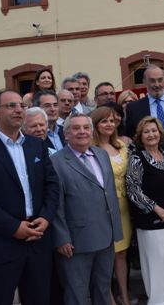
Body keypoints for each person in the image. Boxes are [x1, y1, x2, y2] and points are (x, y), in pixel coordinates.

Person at [0, 89, 60, 305]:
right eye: (10, 106)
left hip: (37, 239)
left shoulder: (37, 145)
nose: (18, 110)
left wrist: (46, 218)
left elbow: (52, 185)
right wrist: (14, 228)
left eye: (21, 105)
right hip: (0, 245)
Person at [51, 113, 122, 305]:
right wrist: (62, 238)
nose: (82, 132)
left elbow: (108, 192)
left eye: (86, 127)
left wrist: (115, 229)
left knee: (103, 289)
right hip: (76, 242)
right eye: (76, 128)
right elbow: (56, 204)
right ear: (66, 134)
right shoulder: (56, 162)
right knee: (77, 294)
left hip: (105, 236)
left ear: (91, 131)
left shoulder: (101, 154)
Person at [126, 116, 164, 305]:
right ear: (140, 136)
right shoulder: (137, 158)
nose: (151, 135)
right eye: (146, 132)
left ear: (160, 133)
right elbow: (133, 190)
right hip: (151, 220)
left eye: (154, 131)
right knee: (155, 264)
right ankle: (157, 301)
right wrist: (157, 209)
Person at [91, 106, 133, 305]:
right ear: (95, 125)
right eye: (103, 121)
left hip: (124, 207)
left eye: (111, 121)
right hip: (104, 208)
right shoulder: (91, 149)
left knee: (121, 254)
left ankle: (124, 295)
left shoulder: (121, 145)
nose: (109, 124)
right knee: (105, 256)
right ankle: (109, 299)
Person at [125, 66, 164, 137]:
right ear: (144, 82)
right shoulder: (133, 108)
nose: (157, 84)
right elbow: (131, 136)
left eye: (160, 80)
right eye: (152, 81)